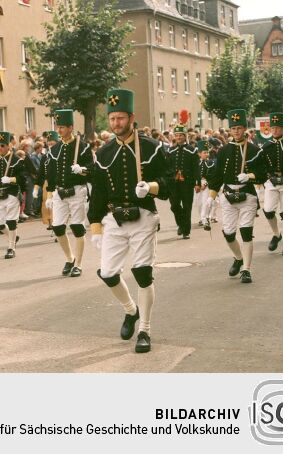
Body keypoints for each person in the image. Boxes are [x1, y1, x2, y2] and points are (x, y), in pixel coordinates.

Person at [88, 89, 170, 353]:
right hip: (114, 218)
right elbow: (99, 191)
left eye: (120, 118)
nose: (115, 124)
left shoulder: (153, 147)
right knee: (108, 273)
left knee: (143, 273)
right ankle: (130, 310)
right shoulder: (104, 152)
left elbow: (170, 185)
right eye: (112, 119)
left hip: (143, 216)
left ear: (132, 117)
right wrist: (96, 225)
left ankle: (145, 330)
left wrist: (153, 187)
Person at [207, 109, 265, 284]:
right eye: (233, 128)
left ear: (245, 129)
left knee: (246, 231)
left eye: (240, 128)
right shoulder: (224, 150)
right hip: (228, 195)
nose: (237, 131)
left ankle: (246, 269)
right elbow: (217, 175)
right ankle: (238, 258)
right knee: (229, 233)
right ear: (230, 130)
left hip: (247, 195)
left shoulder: (254, 149)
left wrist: (250, 176)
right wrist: (212, 195)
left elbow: (263, 173)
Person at [44, 109, 94, 277]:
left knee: (77, 227)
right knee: (58, 227)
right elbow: (50, 174)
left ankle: (78, 264)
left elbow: (93, 169)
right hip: (60, 192)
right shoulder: (54, 149)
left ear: (71, 127)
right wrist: (50, 194)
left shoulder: (84, 147)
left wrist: (82, 170)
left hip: (77, 191)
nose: (59, 131)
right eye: (58, 127)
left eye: (63, 127)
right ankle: (69, 258)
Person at [259, 113, 283, 256]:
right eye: (273, 128)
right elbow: (262, 164)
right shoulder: (266, 145)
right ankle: (277, 234)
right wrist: (264, 178)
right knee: (268, 210)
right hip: (271, 181)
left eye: (278, 128)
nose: (275, 130)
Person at [0, 132, 26, 259]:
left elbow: (23, 179)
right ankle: (13, 237)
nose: (0, 148)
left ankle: (11, 248)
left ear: (9, 146)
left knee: (11, 221)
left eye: (3, 145)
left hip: (12, 193)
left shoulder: (16, 160)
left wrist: (11, 179)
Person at [166, 123, 200, 239]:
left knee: (187, 207)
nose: (179, 137)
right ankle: (181, 224)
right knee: (174, 205)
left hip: (187, 183)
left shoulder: (192, 150)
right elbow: (167, 167)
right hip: (173, 183)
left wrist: (198, 183)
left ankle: (186, 231)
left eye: (181, 135)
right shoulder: (170, 150)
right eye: (177, 135)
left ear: (185, 136)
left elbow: (196, 168)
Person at [193, 140, 215, 230]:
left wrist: (205, 184)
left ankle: (204, 219)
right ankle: (202, 218)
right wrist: (196, 184)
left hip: (206, 185)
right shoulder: (195, 163)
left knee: (205, 202)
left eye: (207, 152)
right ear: (199, 154)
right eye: (204, 153)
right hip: (197, 184)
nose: (207, 154)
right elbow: (193, 174)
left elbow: (212, 176)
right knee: (198, 203)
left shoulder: (210, 163)